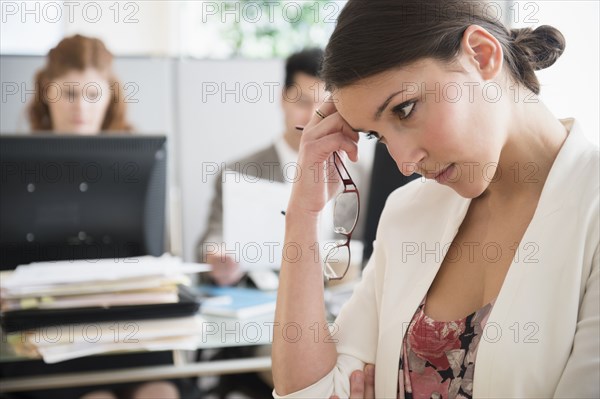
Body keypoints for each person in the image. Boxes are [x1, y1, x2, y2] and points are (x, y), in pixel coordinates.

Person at [272, 1, 599, 398]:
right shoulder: (409, 212)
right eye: (378, 136)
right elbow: (311, 393)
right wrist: (304, 214)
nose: (405, 163)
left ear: (482, 54)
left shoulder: (590, 206)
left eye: (405, 110)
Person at [24, 34, 181, 399]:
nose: (81, 107)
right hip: (52, 331)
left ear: (110, 96)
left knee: (160, 393)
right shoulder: (20, 166)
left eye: (93, 94)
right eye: (69, 94)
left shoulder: (139, 163)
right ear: (48, 94)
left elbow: (157, 254)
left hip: (125, 324)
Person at [196, 47, 373, 286]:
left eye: (322, 105)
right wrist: (216, 256)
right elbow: (211, 239)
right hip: (260, 296)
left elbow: (369, 248)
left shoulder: (358, 173)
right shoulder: (239, 172)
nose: (313, 116)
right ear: (283, 99)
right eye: (302, 102)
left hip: (335, 300)